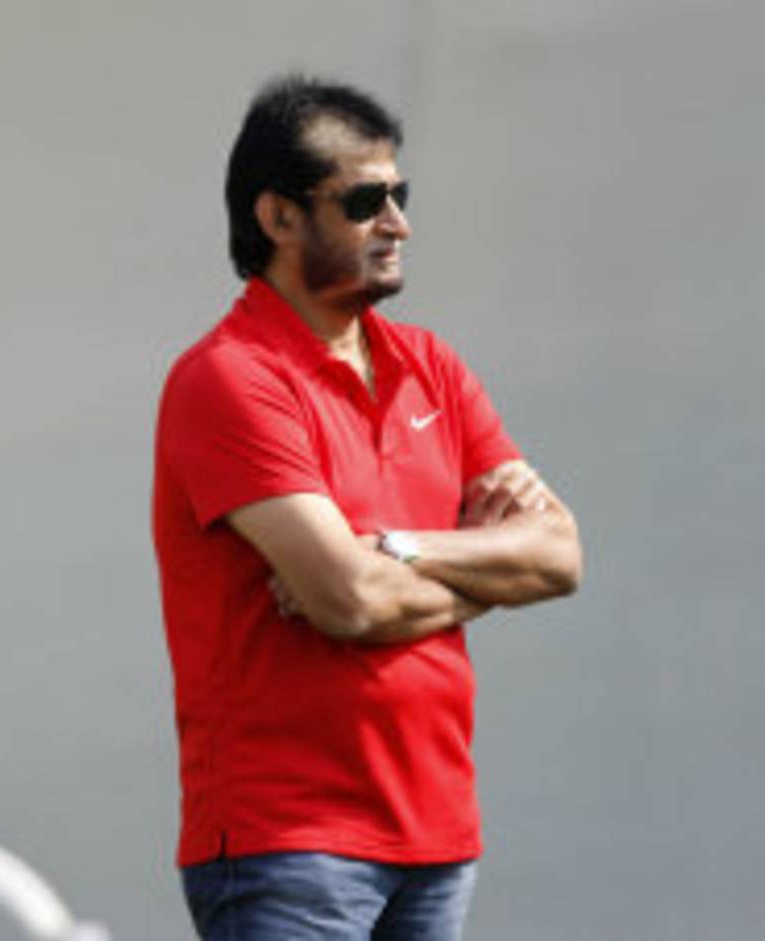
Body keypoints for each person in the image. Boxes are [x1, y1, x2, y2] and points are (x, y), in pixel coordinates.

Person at [152, 75, 583, 940]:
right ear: (278, 218)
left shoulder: (432, 365)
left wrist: (399, 549)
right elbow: (347, 602)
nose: (398, 223)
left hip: (437, 833)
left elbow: (560, 558)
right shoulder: (230, 378)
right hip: (289, 845)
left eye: (400, 195)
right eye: (365, 200)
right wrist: (480, 565)